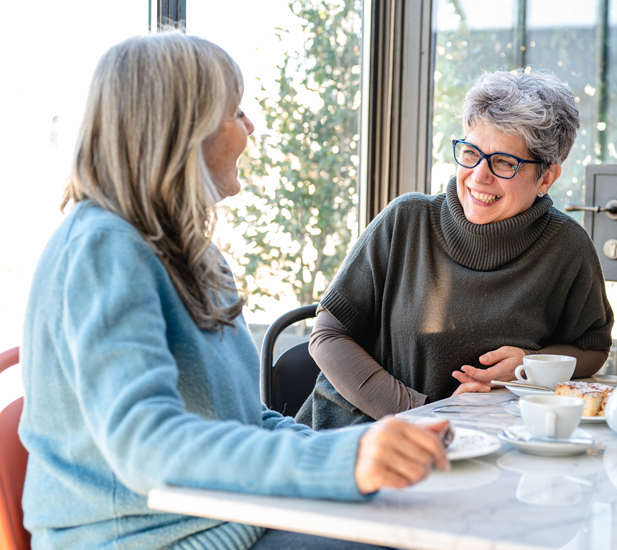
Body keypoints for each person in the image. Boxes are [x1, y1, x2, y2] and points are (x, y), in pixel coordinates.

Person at [18, 32, 449, 550]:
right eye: (235, 112)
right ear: (181, 129)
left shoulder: (196, 256)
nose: (250, 127)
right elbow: (144, 445)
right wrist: (342, 461)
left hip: (231, 517)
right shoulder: (102, 250)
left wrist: (361, 448)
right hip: (147, 538)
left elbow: (248, 418)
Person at [297, 69, 615, 430]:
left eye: (504, 162)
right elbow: (327, 334)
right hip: (361, 436)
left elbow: (591, 348)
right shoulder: (407, 220)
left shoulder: (566, 246)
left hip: (489, 444)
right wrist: (426, 412)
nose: (479, 176)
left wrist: (531, 364)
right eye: (470, 152)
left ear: (546, 178)